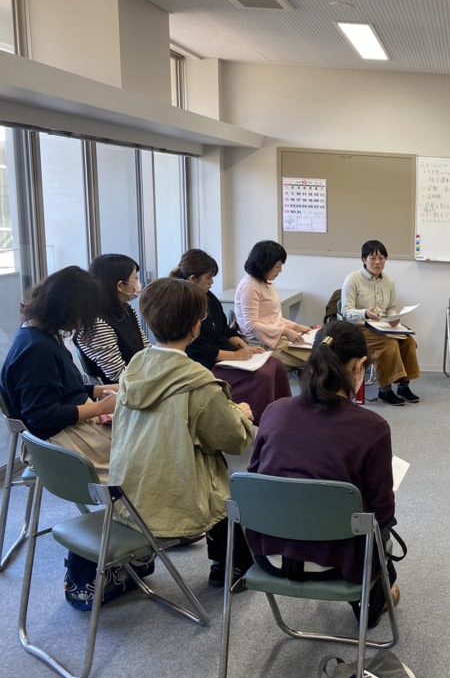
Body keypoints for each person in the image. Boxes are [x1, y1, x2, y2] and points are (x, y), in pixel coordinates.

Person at [246, 321, 399, 628]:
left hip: (269, 555)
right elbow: (383, 512)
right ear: (358, 366)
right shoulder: (372, 427)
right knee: (377, 526)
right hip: (339, 563)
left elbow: (254, 480)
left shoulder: (274, 411)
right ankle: (374, 595)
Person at [108, 278, 256, 588]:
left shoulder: (136, 366)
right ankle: (230, 565)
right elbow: (233, 439)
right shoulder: (198, 383)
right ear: (195, 326)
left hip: (126, 493)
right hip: (176, 499)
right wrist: (239, 414)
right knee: (223, 476)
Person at [0, 266, 116, 476]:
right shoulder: (37, 350)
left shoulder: (37, 334)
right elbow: (43, 416)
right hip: (62, 439)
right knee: (146, 451)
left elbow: (61, 390)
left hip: (70, 428)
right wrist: (101, 408)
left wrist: (99, 391)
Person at [170, 249, 291, 424]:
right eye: (208, 278)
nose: (212, 282)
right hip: (207, 364)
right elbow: (197, 349)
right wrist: (235, 355)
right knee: (262, 377)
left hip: (225, 354)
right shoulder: (184, 306)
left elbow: (224, 328)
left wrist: (238, 342)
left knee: (274, 364)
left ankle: (282, 417)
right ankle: (261, 424)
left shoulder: (209, 298)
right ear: (192, 279)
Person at [340, 239, 421, 406]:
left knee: (409, 342)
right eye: (373, 258)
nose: (378, 262)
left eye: (382, 258)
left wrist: (394, 318)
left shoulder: (389, 281)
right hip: (359, 329)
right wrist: (365, 313)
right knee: (389, 344)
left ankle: (403, 386)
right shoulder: (352, 279)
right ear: (364, 259)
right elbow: (346, 311)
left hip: (383, 327)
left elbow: (391, 308)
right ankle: (385, 390)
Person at [234, 240, 313, 370]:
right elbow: (251, 325)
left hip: (275, 339)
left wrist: (295, 326)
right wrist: (285, 331)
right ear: (265, 264)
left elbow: (272, 317)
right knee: (318, 359)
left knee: (320, 352)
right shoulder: (249, 286)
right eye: (278, 266)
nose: (280, 270)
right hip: (262, 344)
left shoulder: (265, 282)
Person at [73, 254, 149, 383]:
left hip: (140, 380)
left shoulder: (125, 309)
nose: (138, 283)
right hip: (122, 389)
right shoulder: (96, 323)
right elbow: (118, 374)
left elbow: (146, 347)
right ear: (120, 286)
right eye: (135, 278)